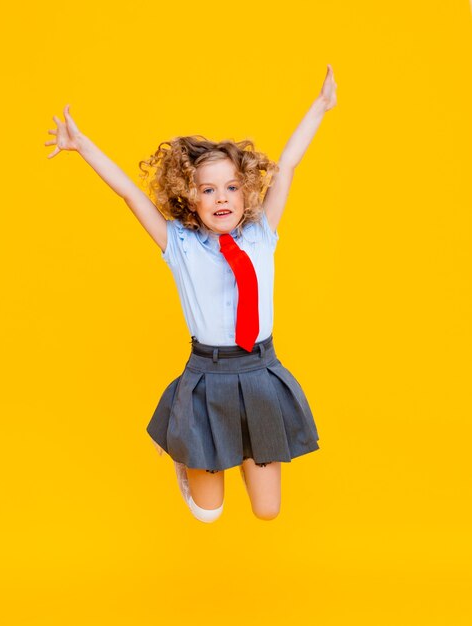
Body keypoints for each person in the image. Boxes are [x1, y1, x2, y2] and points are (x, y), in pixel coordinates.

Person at [45, 64, 337, 523]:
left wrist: (320, 106)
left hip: (260, 370)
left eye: (231, 187)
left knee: (267, 511)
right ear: (190, 198)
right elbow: (129, 195)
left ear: (246, 192)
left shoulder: (261, 235)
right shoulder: (179, 245)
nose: (222, 198)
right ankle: (192, 458)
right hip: (209, 374)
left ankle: (242, 444)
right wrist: (82, 146)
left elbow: (289, 164)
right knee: (208, 512)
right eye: (208, 189)